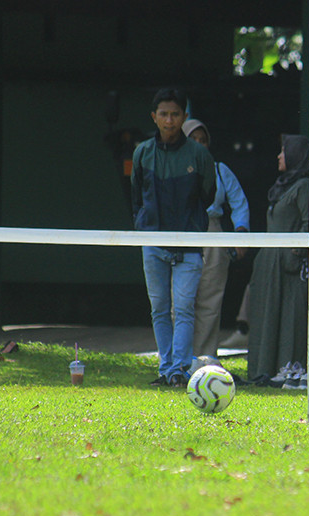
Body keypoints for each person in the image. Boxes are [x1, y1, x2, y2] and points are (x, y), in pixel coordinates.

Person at [131, 88, 216, 388]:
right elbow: (136, 196)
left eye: (175, 114)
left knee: (183, 307)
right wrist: (145, 226)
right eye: (164, 114)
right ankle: (166, 367)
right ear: (154, 117)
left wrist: (190, 222)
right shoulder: (142, 153)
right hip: (152, 240)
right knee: (158, 308)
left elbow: (208, 194)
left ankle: (179, 369)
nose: (169, 120)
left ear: (184, 117)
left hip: (189, 241)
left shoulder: (199, 155)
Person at [181, 118, 251, 359]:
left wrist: (240, 232)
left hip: (212, 234)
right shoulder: (173, 166)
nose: (199, 145)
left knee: (210, 299)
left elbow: (239, 202)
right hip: (181, 233)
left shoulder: (220, 169)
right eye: (194, 140)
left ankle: (205, 357)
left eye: (203, 140)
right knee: (180, 300)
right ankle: (178, 361)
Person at [247, 134, 309, 386]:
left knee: (290, 316)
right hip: (268, 263)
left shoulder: (304, 185)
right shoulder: (284, 185)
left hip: (289, 266)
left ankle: (290, 369)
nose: (279, 156)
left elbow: (308, 224)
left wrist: (294, 254)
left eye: (284, 151)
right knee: (267, 314)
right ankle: (264, 368)